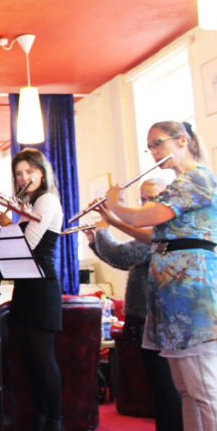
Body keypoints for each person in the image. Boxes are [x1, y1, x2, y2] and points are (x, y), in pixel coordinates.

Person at [104, 120, 217, 431]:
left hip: (191, 293)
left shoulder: (197, 179)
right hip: (172, 294)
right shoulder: (180, 183)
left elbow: (149, 215)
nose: (153, 152)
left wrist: (116, 202)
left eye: (158, 143)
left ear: (182, 141)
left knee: (206, 391)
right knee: (187, 390)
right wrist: (111, 217)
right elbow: (154, 236)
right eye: (149, 146)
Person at [84, 178, 183, 431]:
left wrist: (104, 227)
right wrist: (95, 240)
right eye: (143, 199)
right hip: (146, 316)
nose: (147, 204)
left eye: (153, 198)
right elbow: (123, 261)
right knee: (160, 388)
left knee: (166, 388)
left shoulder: (161, 229)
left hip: (159, 317)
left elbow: (122, 254)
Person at [0, 148, 64, 431]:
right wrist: (2, 230)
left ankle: (54, 420)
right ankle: (38, 417)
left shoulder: (47, 200)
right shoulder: (29, 206)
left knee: (42, 358)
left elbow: (27, 246)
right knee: (27, 358)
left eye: (29, 171)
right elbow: (13, 253)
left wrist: (6, 227)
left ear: (41, 172)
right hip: (25, 288)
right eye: (19, 173)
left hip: (42, 288)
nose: (24, 177)